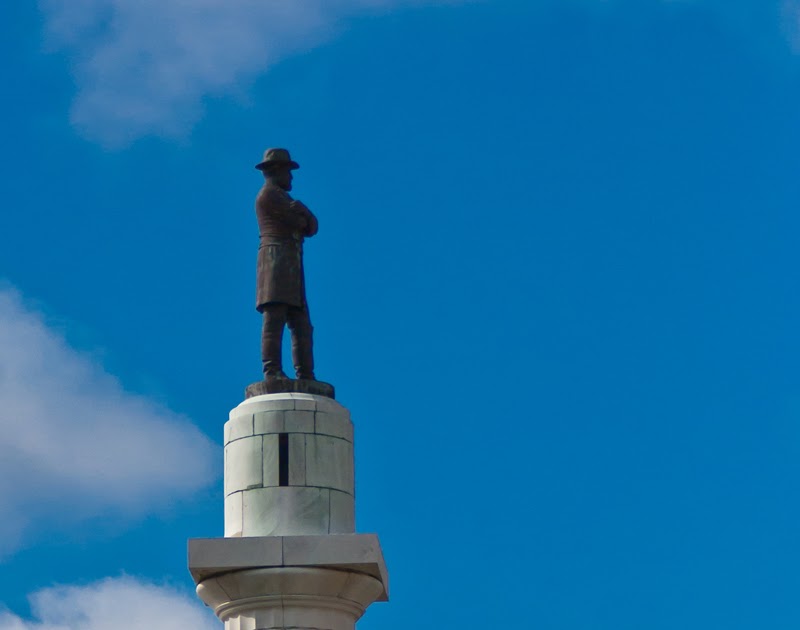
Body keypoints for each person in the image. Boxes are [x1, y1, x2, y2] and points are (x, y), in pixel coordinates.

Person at [254, 148, 318, 380]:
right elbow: (301, 224)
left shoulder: (283, 197)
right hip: (275, 263)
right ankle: (272, 371)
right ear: (277, 171)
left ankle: (305, 374)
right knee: (275, 319)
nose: (291, 178)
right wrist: (303, 214)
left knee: (302, 325)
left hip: (290, 263)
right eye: (288, 172)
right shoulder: (269, 196)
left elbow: (311, 227)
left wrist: (305, 213)